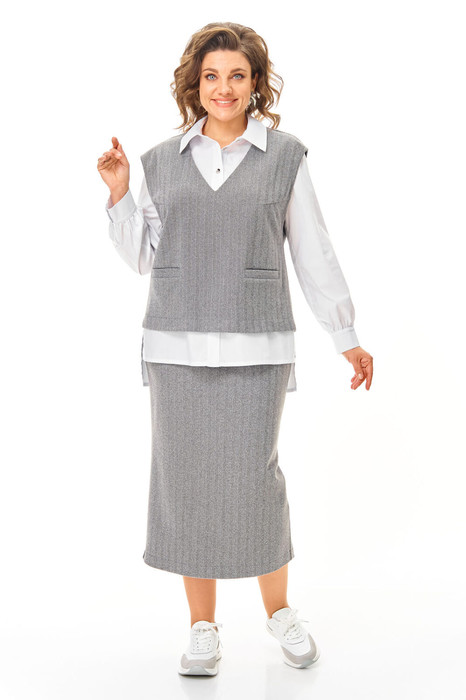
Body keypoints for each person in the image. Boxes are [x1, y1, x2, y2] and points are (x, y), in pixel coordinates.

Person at [97, 21, 373, 677]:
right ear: (195, 84)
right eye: (212, 76)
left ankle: (279, 612)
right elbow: (143, 257)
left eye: (237, 75)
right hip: (175, 347)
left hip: (258, 345)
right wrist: (119, 194)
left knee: (256, 483)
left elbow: (313, 250)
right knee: (185, 484)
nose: (223, 88)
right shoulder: (158, 161)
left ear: (256, 83)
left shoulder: (285, 157)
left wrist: (346, 335)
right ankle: (202, 627)